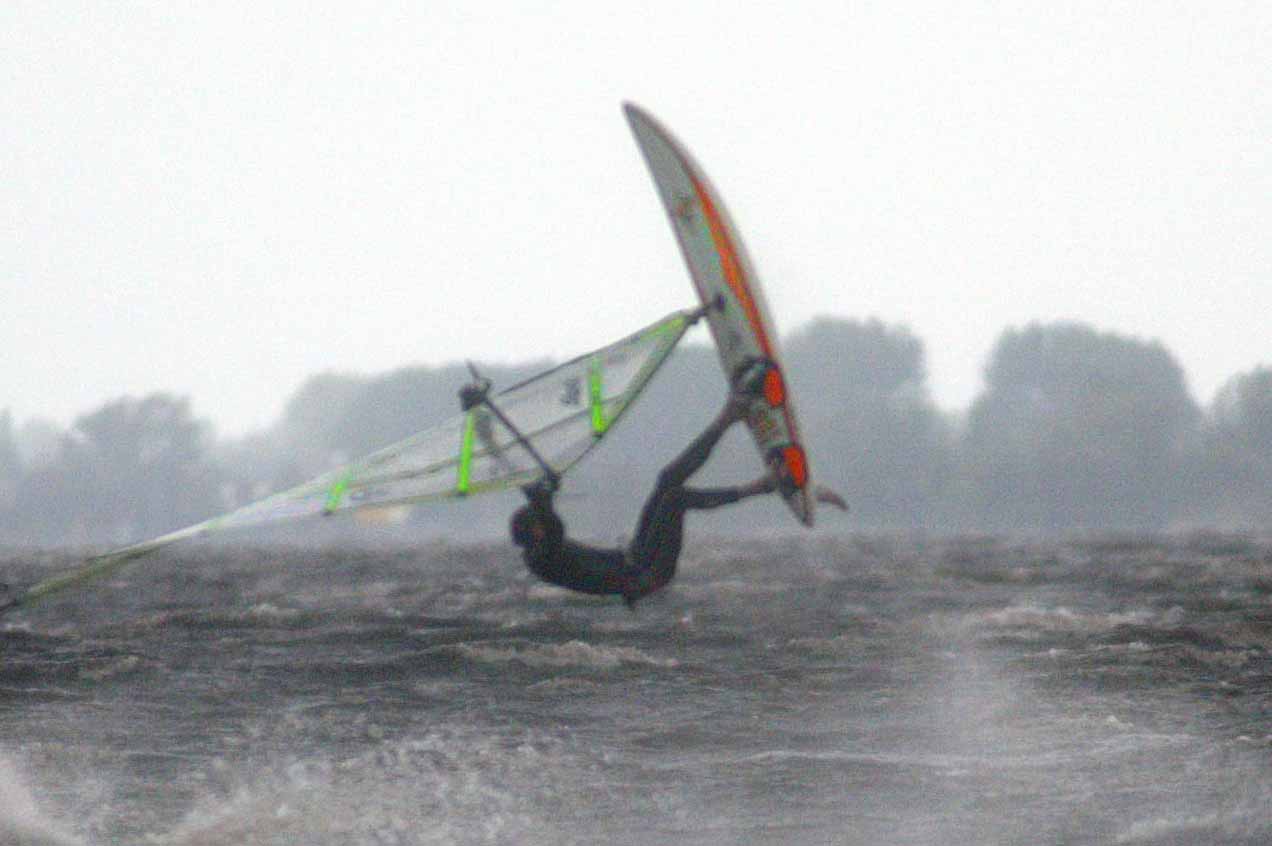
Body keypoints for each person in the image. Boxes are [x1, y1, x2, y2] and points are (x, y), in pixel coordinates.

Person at [509, 366, 848, 607]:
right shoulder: (542, 557)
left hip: (636, 556)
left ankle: (730, 417)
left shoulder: (542, 545)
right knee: (676, 498)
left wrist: (538, 491)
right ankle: (759, 482)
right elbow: (552, 526)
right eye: (537, 519)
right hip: (646, 573)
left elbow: (547, 518)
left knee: (666, 481)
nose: (541, 520)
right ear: (534, 531)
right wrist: (541, 496)